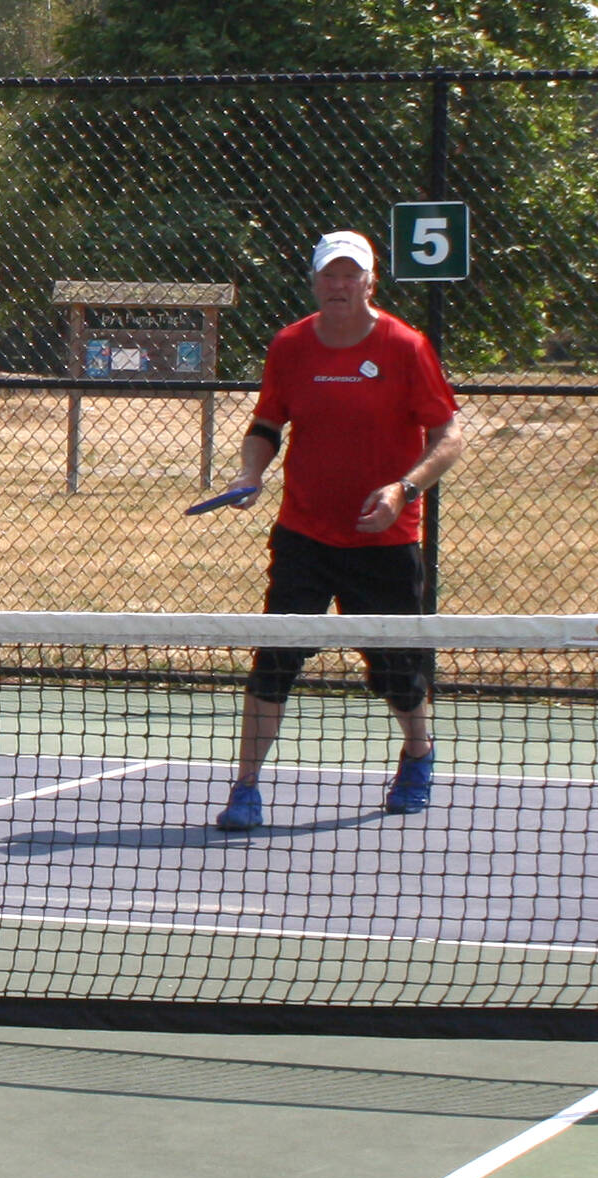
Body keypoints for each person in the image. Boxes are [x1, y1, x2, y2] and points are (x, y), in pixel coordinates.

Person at [214, 229, 464, 831]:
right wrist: (251, 473)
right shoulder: (291, 346)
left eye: (351, 275)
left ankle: (418, 753)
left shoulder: (406, 346)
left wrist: (403, 488)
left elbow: (448, 436)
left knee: (398, 676)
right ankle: (245, 788)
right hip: (304, 535)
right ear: (315, 282)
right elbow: (268, 423)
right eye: (330, 275)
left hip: (386, 542)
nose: (340, 286)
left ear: (369, 282)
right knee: (273, 664)